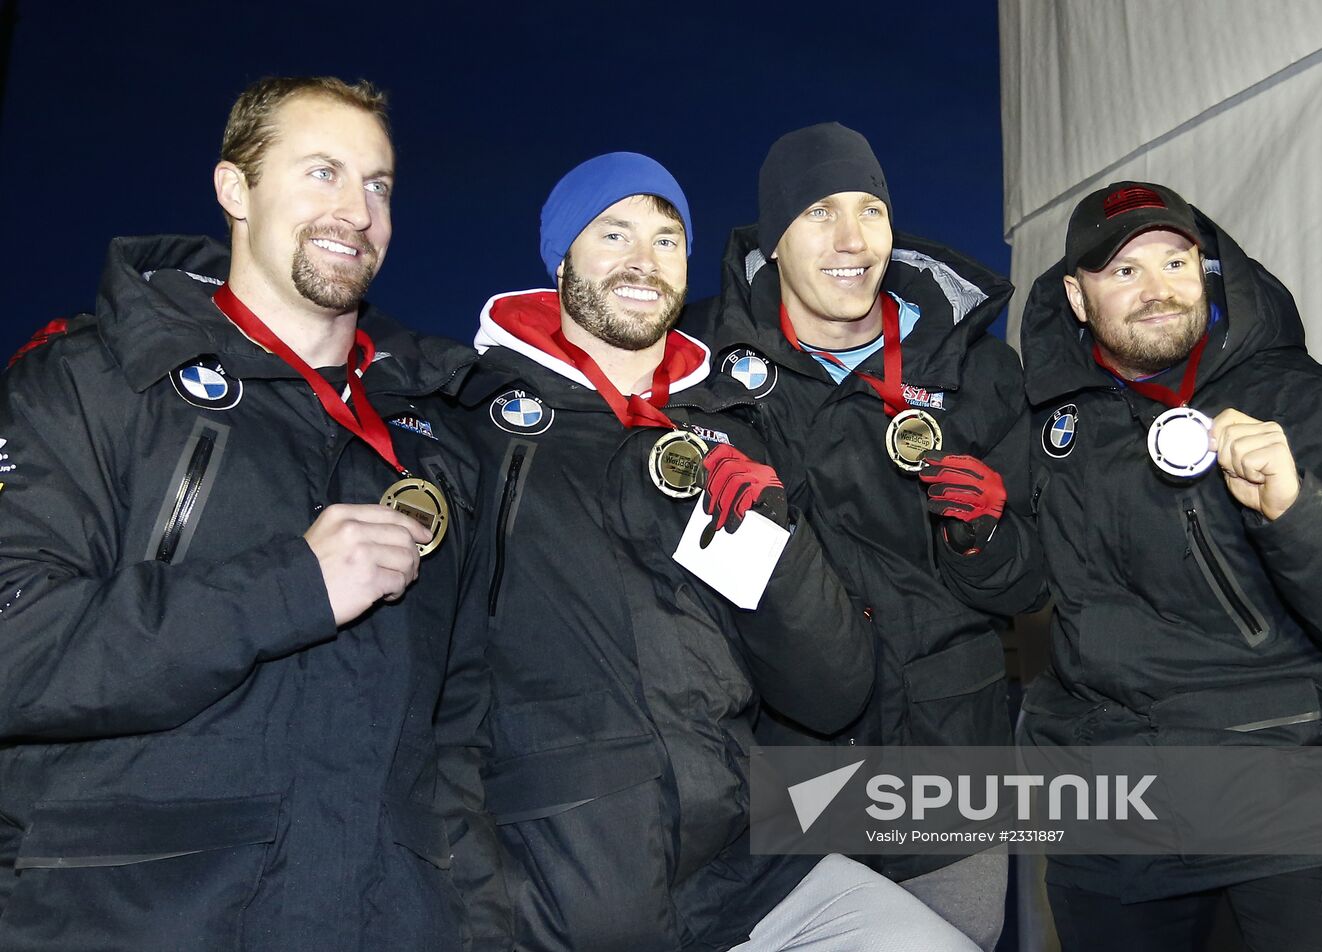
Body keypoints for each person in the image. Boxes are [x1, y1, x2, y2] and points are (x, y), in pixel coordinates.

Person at [436, 151, 979, 952]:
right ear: (560, 259)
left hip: (740, 868)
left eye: (666, 240)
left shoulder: (723, 430)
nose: (642, 261)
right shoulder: (475, 426)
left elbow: (829, 692)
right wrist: (478, 910)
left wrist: (774, 538)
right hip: (567, 892)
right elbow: (434, 700)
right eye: (611, 232)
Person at [0, 77, 478, 951]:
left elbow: (464, 713)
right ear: (235, 190)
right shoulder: (91, 382)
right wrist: (289, 586)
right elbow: (14, 646)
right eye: (323, 172)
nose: (357, 210)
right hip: (128, 918)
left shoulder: (433, 435)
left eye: (378, 185)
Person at [685, 122, 1044, 950]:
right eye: (818, 213)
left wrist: (984, 538)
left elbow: (1030, 588)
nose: (852, 240)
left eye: (870, 210)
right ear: (773, 239)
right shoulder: (702, 370)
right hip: (793, 769)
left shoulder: (975, 370)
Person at [1018, 180, 1322, 950]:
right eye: (1122, 271)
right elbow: (1008, 588)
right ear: (1077, 296)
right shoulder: (1043, 427)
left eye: (1175, 262)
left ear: (1210, 269)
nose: (1157, 291)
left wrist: (1299, 511)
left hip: (1287, 795)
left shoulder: (1316, 405)